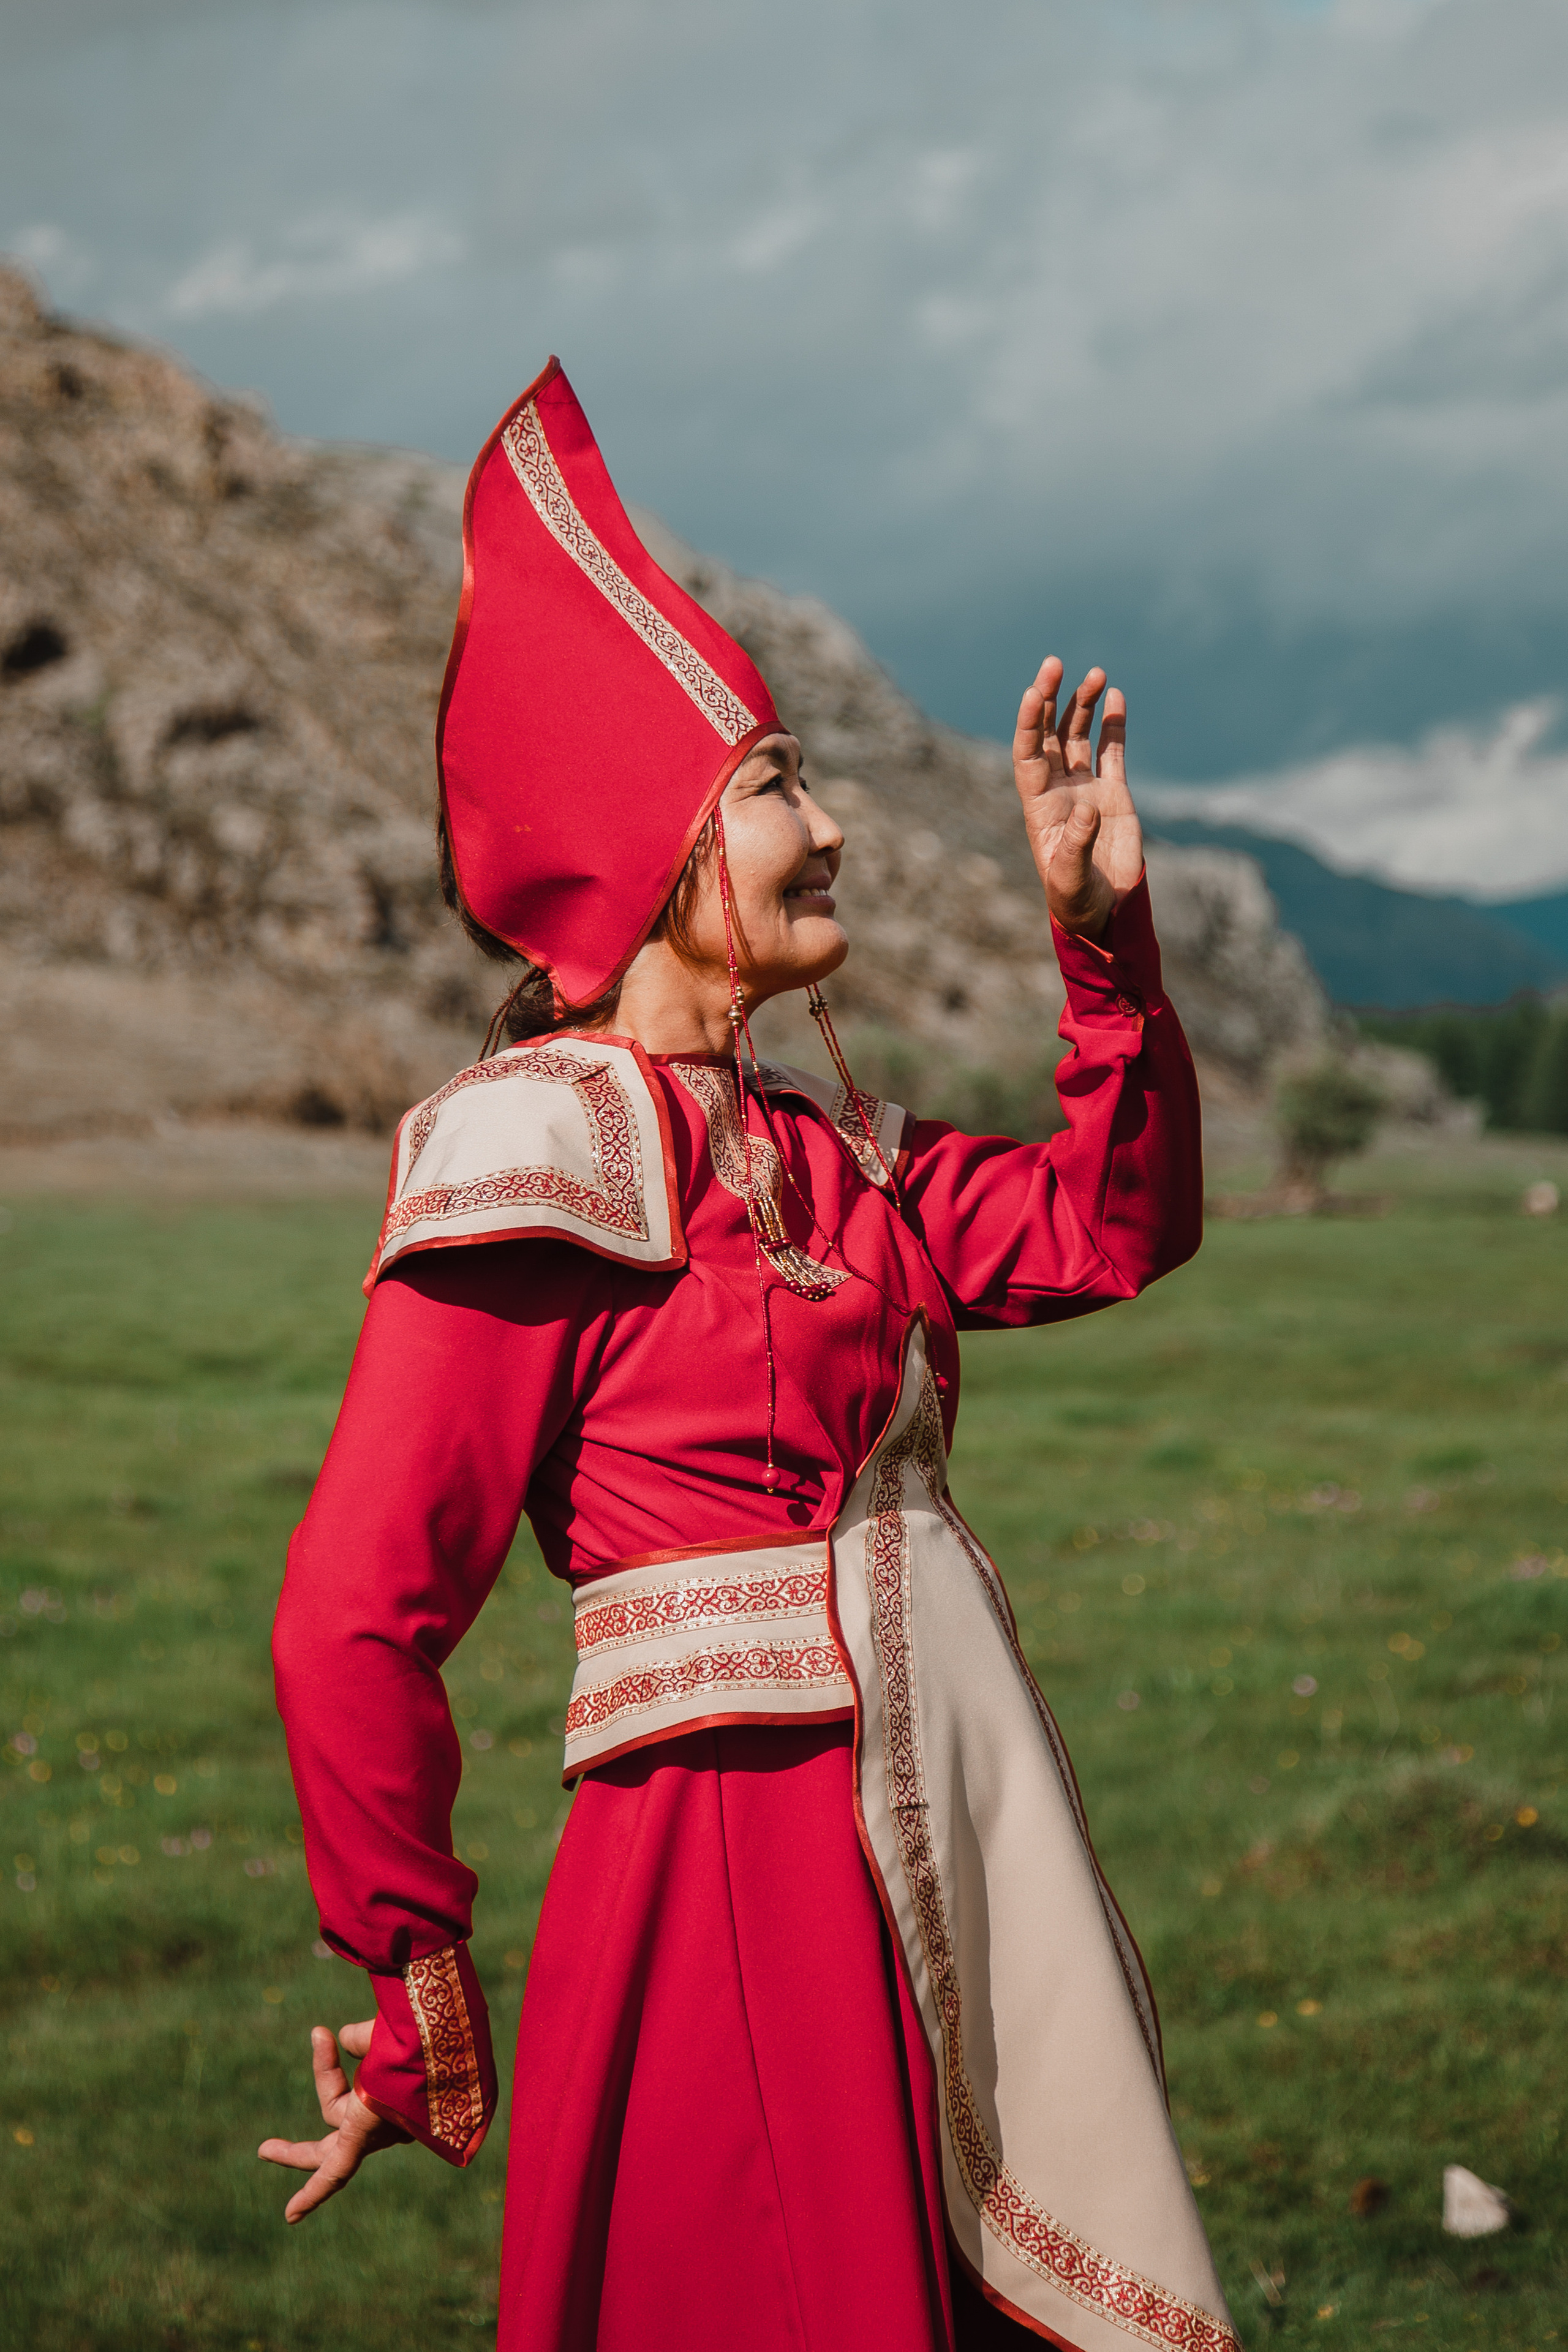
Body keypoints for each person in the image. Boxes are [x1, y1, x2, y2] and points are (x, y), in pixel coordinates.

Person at [262, 359, 1238, 2352]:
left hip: (931, 1843)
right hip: (727, 1869)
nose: (834, 825)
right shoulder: (531, 1148)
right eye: (780, 785)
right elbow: (352, 1615)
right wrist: (411, 1985)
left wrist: (1102, 944)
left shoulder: (834, 1148)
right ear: (661, 847)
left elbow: (1110, 1223)